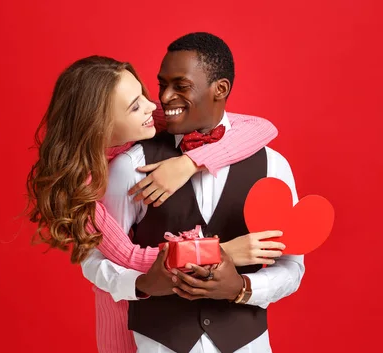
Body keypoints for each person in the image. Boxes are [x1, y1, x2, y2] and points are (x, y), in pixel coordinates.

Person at [26, 55, 286, 352]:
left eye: (143, 96)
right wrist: (220, 252)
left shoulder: (149, 124)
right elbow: (126, 257)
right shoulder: (82, 189)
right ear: (99, 125)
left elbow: (260, 127)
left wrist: (190, 164)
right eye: (135, 105)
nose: (154, 105)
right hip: (125, 327)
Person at [81, 32, 305, 353]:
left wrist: (243, 288)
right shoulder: (132, 165)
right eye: (162, 85)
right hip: (157, 343)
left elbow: (292, 266)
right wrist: (142, 285)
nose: (165, 97)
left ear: (220, 89)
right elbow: (97, 259)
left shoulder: (272, 165)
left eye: (181, 86)